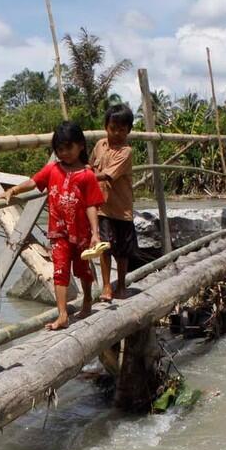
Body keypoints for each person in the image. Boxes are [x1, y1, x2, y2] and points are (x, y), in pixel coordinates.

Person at [2, 122, 103, 331]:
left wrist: (95, 233)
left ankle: (87, 301)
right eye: (59, 149)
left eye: (68, 147)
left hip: (81, 233)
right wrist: (14, 190)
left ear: (80, 146)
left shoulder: (87, 175)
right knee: (60, 271)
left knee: (83, 270)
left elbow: (92, 205)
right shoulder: (52, 170)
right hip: (59, 233)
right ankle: (63, 314)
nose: (64, 153)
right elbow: (33, 181)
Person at [91, 103, 136, 301]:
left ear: (128, 131)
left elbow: (106, 176)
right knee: (105, 248)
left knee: (123, 251)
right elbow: (91, 165)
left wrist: (81, 177)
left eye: (122, 130)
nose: (117, 133)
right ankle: (107, 286)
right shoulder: (100, 145)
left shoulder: (126, 152)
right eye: (113, 128)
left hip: (122, 208)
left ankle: (122, 285)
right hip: (102, 207)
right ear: (106, 127)